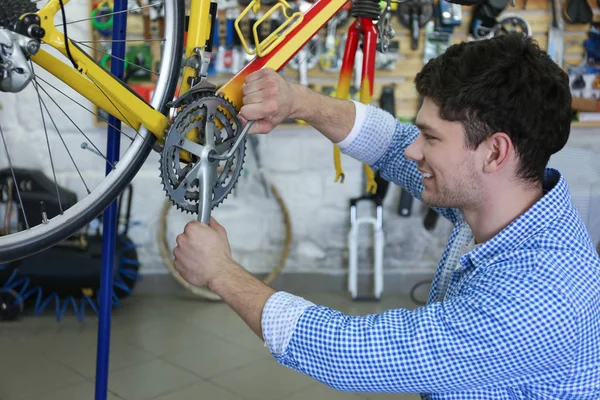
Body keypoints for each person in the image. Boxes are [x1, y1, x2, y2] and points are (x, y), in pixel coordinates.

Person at [172, 33, 600, 398]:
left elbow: (350, 354)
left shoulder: (539, 297)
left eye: (430, 138)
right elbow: (394, 144)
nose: (415, 150)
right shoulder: (506, 200)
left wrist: (221, 273)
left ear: (495, 151)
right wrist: (298, 101)